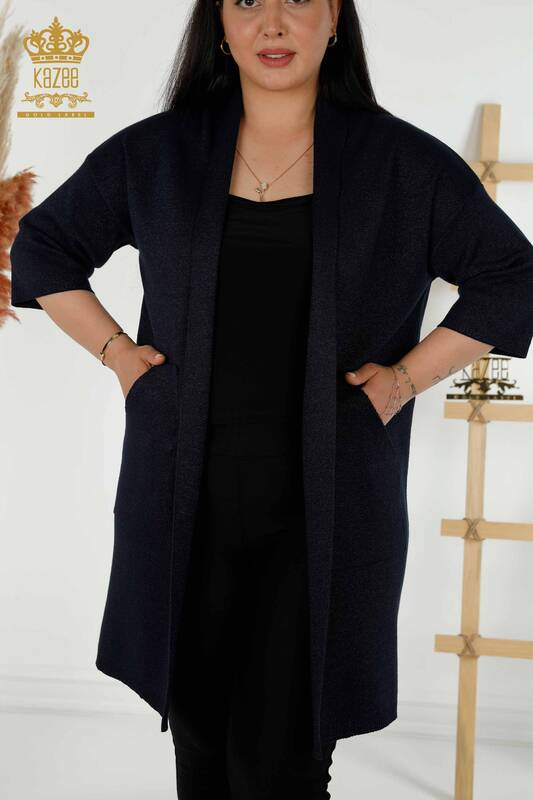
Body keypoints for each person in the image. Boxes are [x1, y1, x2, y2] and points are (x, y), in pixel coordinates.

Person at [9, 0, 533, 798]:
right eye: (248, 0)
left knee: (282, 757)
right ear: (219, 25)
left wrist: (403, 379)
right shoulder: (161, 153)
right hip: (183, 497)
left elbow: (512, 277)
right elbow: (46, 245)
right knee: (201, 743)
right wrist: (117, 354)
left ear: (334, 18)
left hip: (327, 507)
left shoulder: (401, 164)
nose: (273, 23)